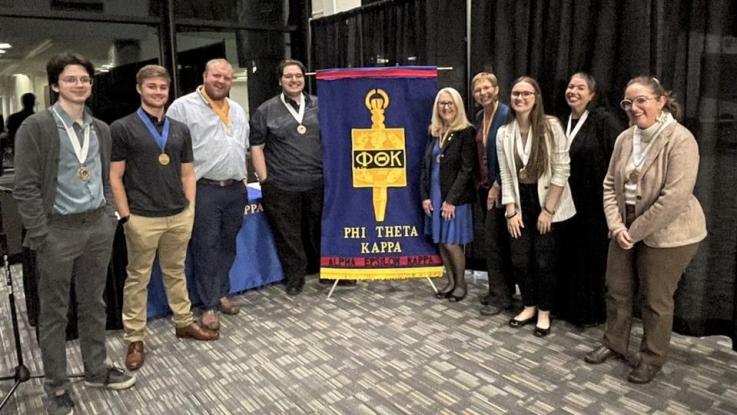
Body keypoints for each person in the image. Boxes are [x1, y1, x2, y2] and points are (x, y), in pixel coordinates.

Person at [13, 52, 135, 415]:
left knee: (93, 304)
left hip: (97, 227)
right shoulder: (36, 128)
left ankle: (96, 371)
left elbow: (103, 176)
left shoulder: (101, 129)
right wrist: (41, 234)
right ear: (54, 86)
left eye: (84, 79)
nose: (79, 85)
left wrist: (110, 215)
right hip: (57, 232)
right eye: (70, 79)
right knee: (54, 314)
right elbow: (26, 187)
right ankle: (57, 386)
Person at [584, 76, 707, 384]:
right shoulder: (625, 138)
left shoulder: (680, 139)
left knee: (655, 300)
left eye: (641, 100)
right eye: (628, 102)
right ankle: (614, 343)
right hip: (624, 229)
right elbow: (610, 184)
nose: (634, 108)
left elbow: (674, 199)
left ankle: (651, 358)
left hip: (669, 234)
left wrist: (633, 231)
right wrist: (615, 226)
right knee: (617, 290)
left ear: (661, 101)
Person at [110, 65, 219, 371]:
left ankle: (183, 322)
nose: (158, 92)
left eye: (162, 87)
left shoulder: (179, 129)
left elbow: (188, 172)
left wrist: (190, 208)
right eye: (152, 87)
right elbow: (114, 176)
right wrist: (126, 216)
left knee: (175, 272)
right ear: (139, 89)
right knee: (137, 279)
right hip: (142, 217)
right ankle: (134, 338)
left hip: (178, 215)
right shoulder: (122, 128)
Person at [167, 58, 249, 332]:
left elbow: (241, 145)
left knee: (228, 245)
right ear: (205, 76)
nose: (221, 81)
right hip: (204, 189)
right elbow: (172, 151)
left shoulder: (237, 109)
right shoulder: (182, 107)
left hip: (235, 188)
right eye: (216, 75)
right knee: (205, 247)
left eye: (226, 77)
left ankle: (222, 292)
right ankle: (208, 305)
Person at [497, 76, 575, 337]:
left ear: (536, 97)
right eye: (516, 93)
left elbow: (562, 171)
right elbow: (506, 175)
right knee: (520, 259)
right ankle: (529, 305)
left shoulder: (551, 126)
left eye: (526, 94)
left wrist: (549, 211)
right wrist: (510, 210)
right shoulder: (503, 133)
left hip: (547, 203)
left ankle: (544, 311)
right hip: (519, 202)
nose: (520, 98)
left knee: (544, 262)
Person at [250, 59, 336, 295]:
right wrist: (265, 178)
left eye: (298, 75)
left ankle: (325, 271)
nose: (294, 80)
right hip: (281, 184)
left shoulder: (320, 105)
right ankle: (295, 277)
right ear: (280, 81)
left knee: (318, 228)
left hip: (317, 182)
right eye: (288, 76)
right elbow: (256, 146)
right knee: (288, 234)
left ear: (304, 78)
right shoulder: (265, 110)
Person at [554, 72, 624, 327]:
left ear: (592, 94)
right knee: (567, 256)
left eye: (580, 87)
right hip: (564, 203)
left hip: (594, 203)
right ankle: (566, 307)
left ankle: (590, 312)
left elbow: (620, 161)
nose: (573, 91)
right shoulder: (561, 122)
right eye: (570, 86)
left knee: (591, 257)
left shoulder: (604, 121)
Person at [421, 87, 477, 302]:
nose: (445, 107)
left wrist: (451, 201)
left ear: (458, 106)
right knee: (441, 241)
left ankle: (461, 284)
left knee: (452, 242)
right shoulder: (433, 132)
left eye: (449, 103)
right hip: (434, 196)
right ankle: (451, 282)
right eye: (442, 103)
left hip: (454, 199)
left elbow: (467, 170)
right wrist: (425, 196)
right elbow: (425, 167)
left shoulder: (466, 132)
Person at [470, 72, 515, 316]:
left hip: (503, 187)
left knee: (496, 243)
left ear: (497, 89)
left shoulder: (507, 114)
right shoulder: (479, 116)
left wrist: (498, 184)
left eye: (487, 88)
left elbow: (511, 154)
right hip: (484, 186)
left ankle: (502, 297)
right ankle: (499, 290)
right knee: (492, 242)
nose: (483, 93)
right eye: (478, 90)